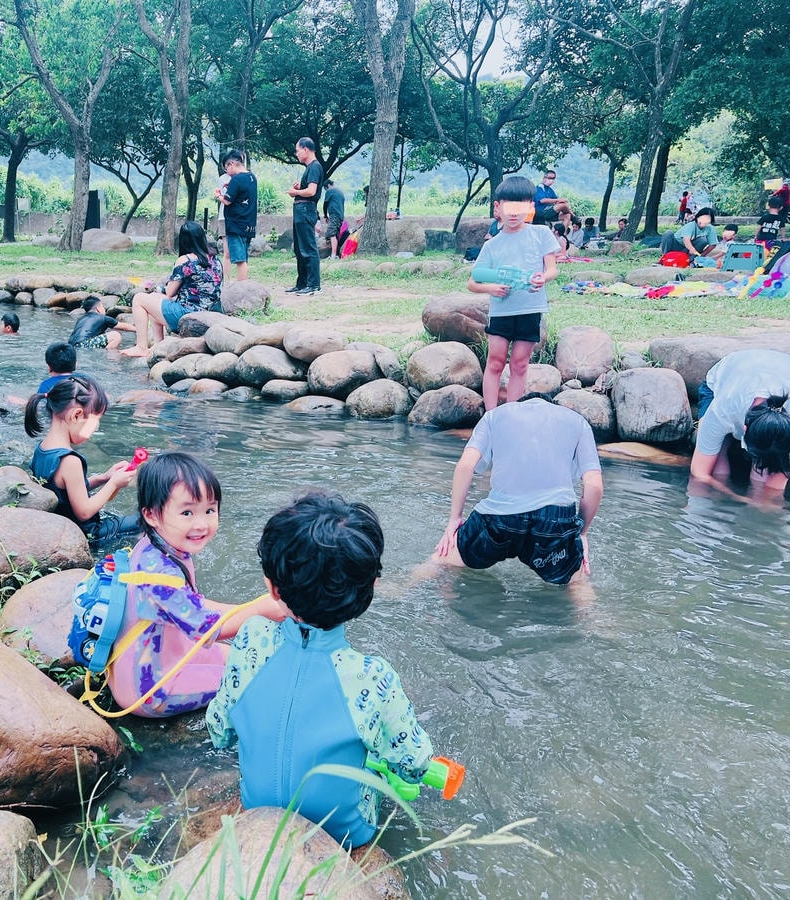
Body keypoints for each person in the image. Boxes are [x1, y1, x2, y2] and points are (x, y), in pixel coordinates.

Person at [206, 491, 434, 850]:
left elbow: (219, 731)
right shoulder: (375, 677)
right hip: (346, 831)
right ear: (370, 589)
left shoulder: (250, 639)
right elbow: (415, 764)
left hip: (255, 809)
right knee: (378, 762)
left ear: (272, 587)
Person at [106, 451, 286, 717]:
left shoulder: (157, 547)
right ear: (152, 515)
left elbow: (192, 604)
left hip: (155, 658)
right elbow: (207, 631)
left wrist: (247, 608)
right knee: (255, 676)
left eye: (210, 510)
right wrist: (261, 608)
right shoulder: (160, 578)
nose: (202, 524)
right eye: (187, 512)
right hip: (150, 690)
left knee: (240, 655)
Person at [430, 393, 603, 589]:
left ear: (520, 404)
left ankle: (401, 587)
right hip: (554, 522)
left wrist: (455, 519)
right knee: (578, 582)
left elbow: (465, 466)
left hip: (499, 519)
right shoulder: (578, 422)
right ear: (551, 405)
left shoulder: (494, 416)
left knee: (442, 559)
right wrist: (581, 533)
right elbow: (594, 485)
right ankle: (595, 617)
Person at [470, 176, 560, 410]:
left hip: (530, 308)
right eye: (508, 207)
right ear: (497, 208)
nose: (513, 214)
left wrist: (543, 278)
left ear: (530, 207)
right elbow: (473, 282)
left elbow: (552, 269)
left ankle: (511, 414)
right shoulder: (492, 245)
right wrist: (491, 288)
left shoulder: (541, 234)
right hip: (501, 311)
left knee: (520, 364)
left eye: (520, 207)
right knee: (496, 362)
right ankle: (490, 415)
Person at [25, 375, 140, 542]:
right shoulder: (70, 461)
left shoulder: (43, 448)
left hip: (62, 526)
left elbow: (66, 491)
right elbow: (84, 511)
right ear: (76, 415)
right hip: (87, 534)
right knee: (145, 522)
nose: (94, 430)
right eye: (94, 422)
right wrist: (114, 483)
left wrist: (103, 478)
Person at [689, 349, 790, 501]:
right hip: (718, 387)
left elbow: (780, 470)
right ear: (744, 429)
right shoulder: (724, 408)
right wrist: (735, 496)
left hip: (769, 372)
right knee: (719, 468)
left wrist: (767, 501)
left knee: (765, 472)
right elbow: (699, 473)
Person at [121, 221, 223, 358]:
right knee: (154, 298)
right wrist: (158, 290)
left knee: (139, 298)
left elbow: (170, 292)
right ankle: (158, 345)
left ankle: (141, 347)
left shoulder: (185, 260)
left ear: (183, 240)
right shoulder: (215, 259)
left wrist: (159, 288)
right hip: (210, 316)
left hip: (188, 317)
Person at [286, 137, 322, 295]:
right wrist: (300, 187)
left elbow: (312, 191)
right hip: (301, 210)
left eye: (298, 150)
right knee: (300, 249)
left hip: (306, 209)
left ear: (306, 149)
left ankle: (313, 284)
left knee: (308, 248)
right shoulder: (309, 168)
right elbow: (308, 188)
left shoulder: (314, 167)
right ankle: (302, 283)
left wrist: (296, 192)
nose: (297, 154)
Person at [219, 149, 258, 281]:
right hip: (248, 223)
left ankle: (241, 288)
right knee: (244, 257)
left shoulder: (236, 180)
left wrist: (218, 195)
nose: (227, 172)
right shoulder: (252, 177)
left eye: (226, 168)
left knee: (239, 259)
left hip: (236, 224)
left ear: (231, 164)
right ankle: (243, 285)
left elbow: (227, 201)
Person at [70, 295, 135, 350]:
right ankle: (108, 355)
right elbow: (124, 327)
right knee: (116, 335)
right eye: (102, 306)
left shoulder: (80, 319)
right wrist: (137, 329)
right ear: (98, 308)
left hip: (71, 347)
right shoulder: (103, 318)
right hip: (84, 345)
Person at [323, 179, 346, 259]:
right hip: (340, 216)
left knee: (331, 234)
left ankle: (333, 255)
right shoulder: (340, 192)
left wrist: (325, 215)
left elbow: (325, 204)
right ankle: (336, 254)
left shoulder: (330, 191)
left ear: (328, 185)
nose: (326, 190)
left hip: (334, 215)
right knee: (335, 234)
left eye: (325, 188)